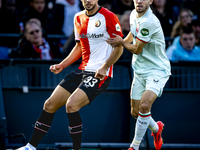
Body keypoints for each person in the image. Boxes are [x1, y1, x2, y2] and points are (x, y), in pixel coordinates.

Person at [17, 0, 123, 150]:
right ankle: (30, 147)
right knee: (49, 104)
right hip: (82, 70)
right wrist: (62, 65)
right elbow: (79, 46)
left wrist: (105, 67)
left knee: (71, 105)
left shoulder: (109, 16)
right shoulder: (78, 17)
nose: (88, 1)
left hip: (100, 74)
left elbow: (119, 47)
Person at [106, 0, 171, 150]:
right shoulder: (134, 14)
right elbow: (132, 34)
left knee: (144, 106)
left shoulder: (150, 22)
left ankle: (134, 147)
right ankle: (156, 129)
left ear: (150, 1)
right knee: (136, 112)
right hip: (139, 70)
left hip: (157, 70)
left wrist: (121, 42)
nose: (139, 1)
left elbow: (136, 49)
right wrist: (120, 41)